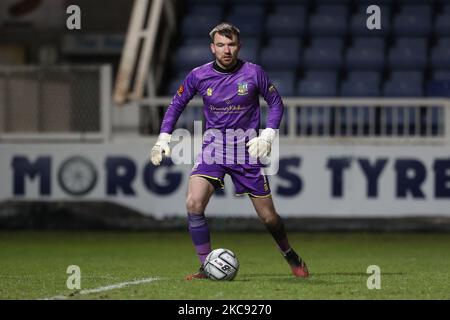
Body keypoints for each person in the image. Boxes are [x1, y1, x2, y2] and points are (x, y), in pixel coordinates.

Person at [150, 23, 309, 280]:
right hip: (213, 150)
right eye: (221, 45)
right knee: (193, 203)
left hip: (247, 152)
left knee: (269, 218)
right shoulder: (199, 75)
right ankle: (206, 266)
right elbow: (176, 104)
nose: (226, 50)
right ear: (212, 47)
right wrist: (163, 138)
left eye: (231, 44)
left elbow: (276, 103)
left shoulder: (254, 73)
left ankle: (289, 253)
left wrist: (268, 135)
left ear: (239, 46)